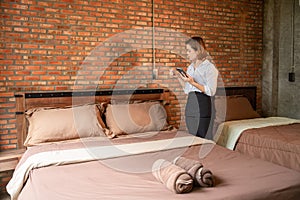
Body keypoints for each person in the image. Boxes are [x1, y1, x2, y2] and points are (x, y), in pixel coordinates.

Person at [175, 36, 219, 138]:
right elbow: (187, 89)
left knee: (204, 138)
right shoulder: (190, 67)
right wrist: (178, 76)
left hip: (203, 105)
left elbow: (211, 91)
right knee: (192, 137)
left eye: (189, 51)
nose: (187, 54)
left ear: (198, 51)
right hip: (191, 105)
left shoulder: (210, 68)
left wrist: (193, 82)